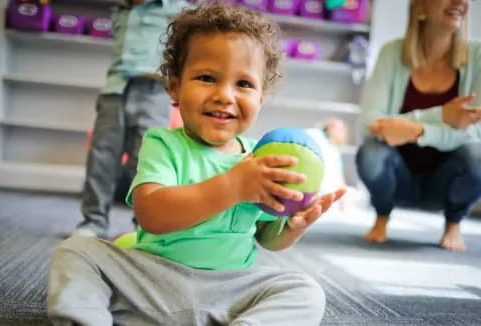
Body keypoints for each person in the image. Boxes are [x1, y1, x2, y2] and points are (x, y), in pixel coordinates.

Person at [47, 4, 345, 325]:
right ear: (174, 87)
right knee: (78, 251)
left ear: (261, 97)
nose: (224, 95)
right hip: (153, 283)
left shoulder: (259, 158)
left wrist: (291, 227)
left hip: (228, 290)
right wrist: (232, 186)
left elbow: (266, 239)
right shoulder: (164, 143)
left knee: (305, 289)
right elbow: (152, 214)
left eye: (243, 84)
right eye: (206, 78)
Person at [357, 0, 481, 251]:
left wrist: (416, 130)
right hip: (397, 178)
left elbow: (474, 129)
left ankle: (454, 223)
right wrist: (443, 116)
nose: (460, 2)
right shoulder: (392, 53)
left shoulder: (478, 57)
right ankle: (382, 216)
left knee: (477, 154)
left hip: (447, 182)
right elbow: (371, 122)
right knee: (371, 151)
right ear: (421, 8)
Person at [75, 0, 193, 238]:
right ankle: (94, 221)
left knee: (147, 160)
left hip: (153, 90)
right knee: (101, 158)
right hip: (116, 89)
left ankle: (144, 224)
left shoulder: (178, 10)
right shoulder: (120, 9)